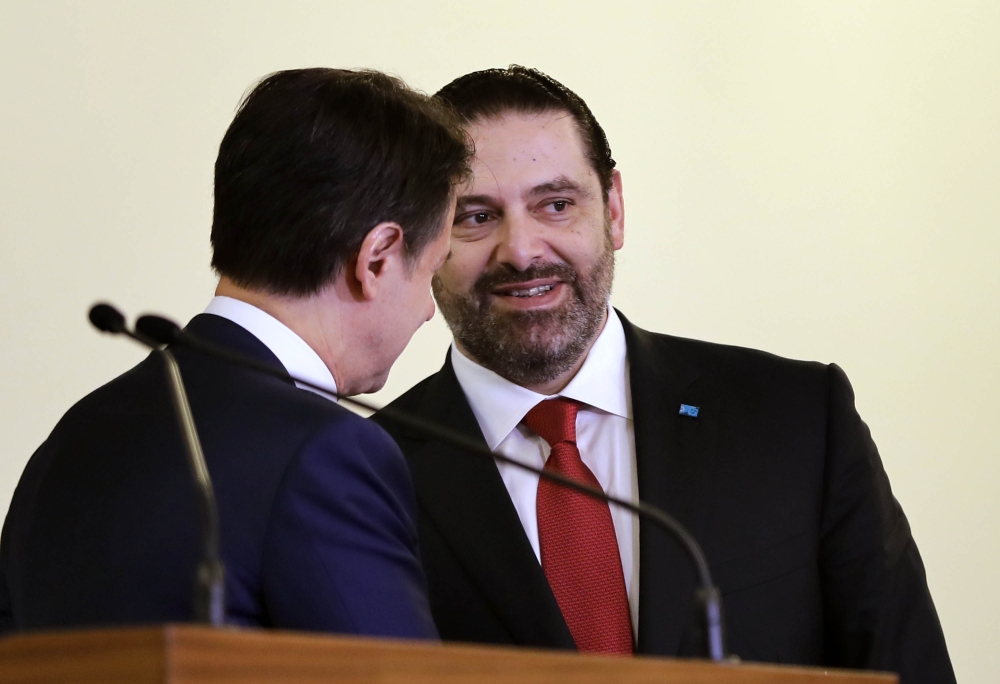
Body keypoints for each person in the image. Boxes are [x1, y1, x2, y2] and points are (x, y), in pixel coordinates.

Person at [373, 66, 955, 681]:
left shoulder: (799, 417)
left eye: (557, 204)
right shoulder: (364, 470)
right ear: (424, 239)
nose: (521, 250)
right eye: (475, 216)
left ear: (614, 211)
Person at [0, 68, 469, 637]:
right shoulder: (330, 453)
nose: (427, 310)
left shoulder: (71, 437)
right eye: (431, 270)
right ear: (377, 259)